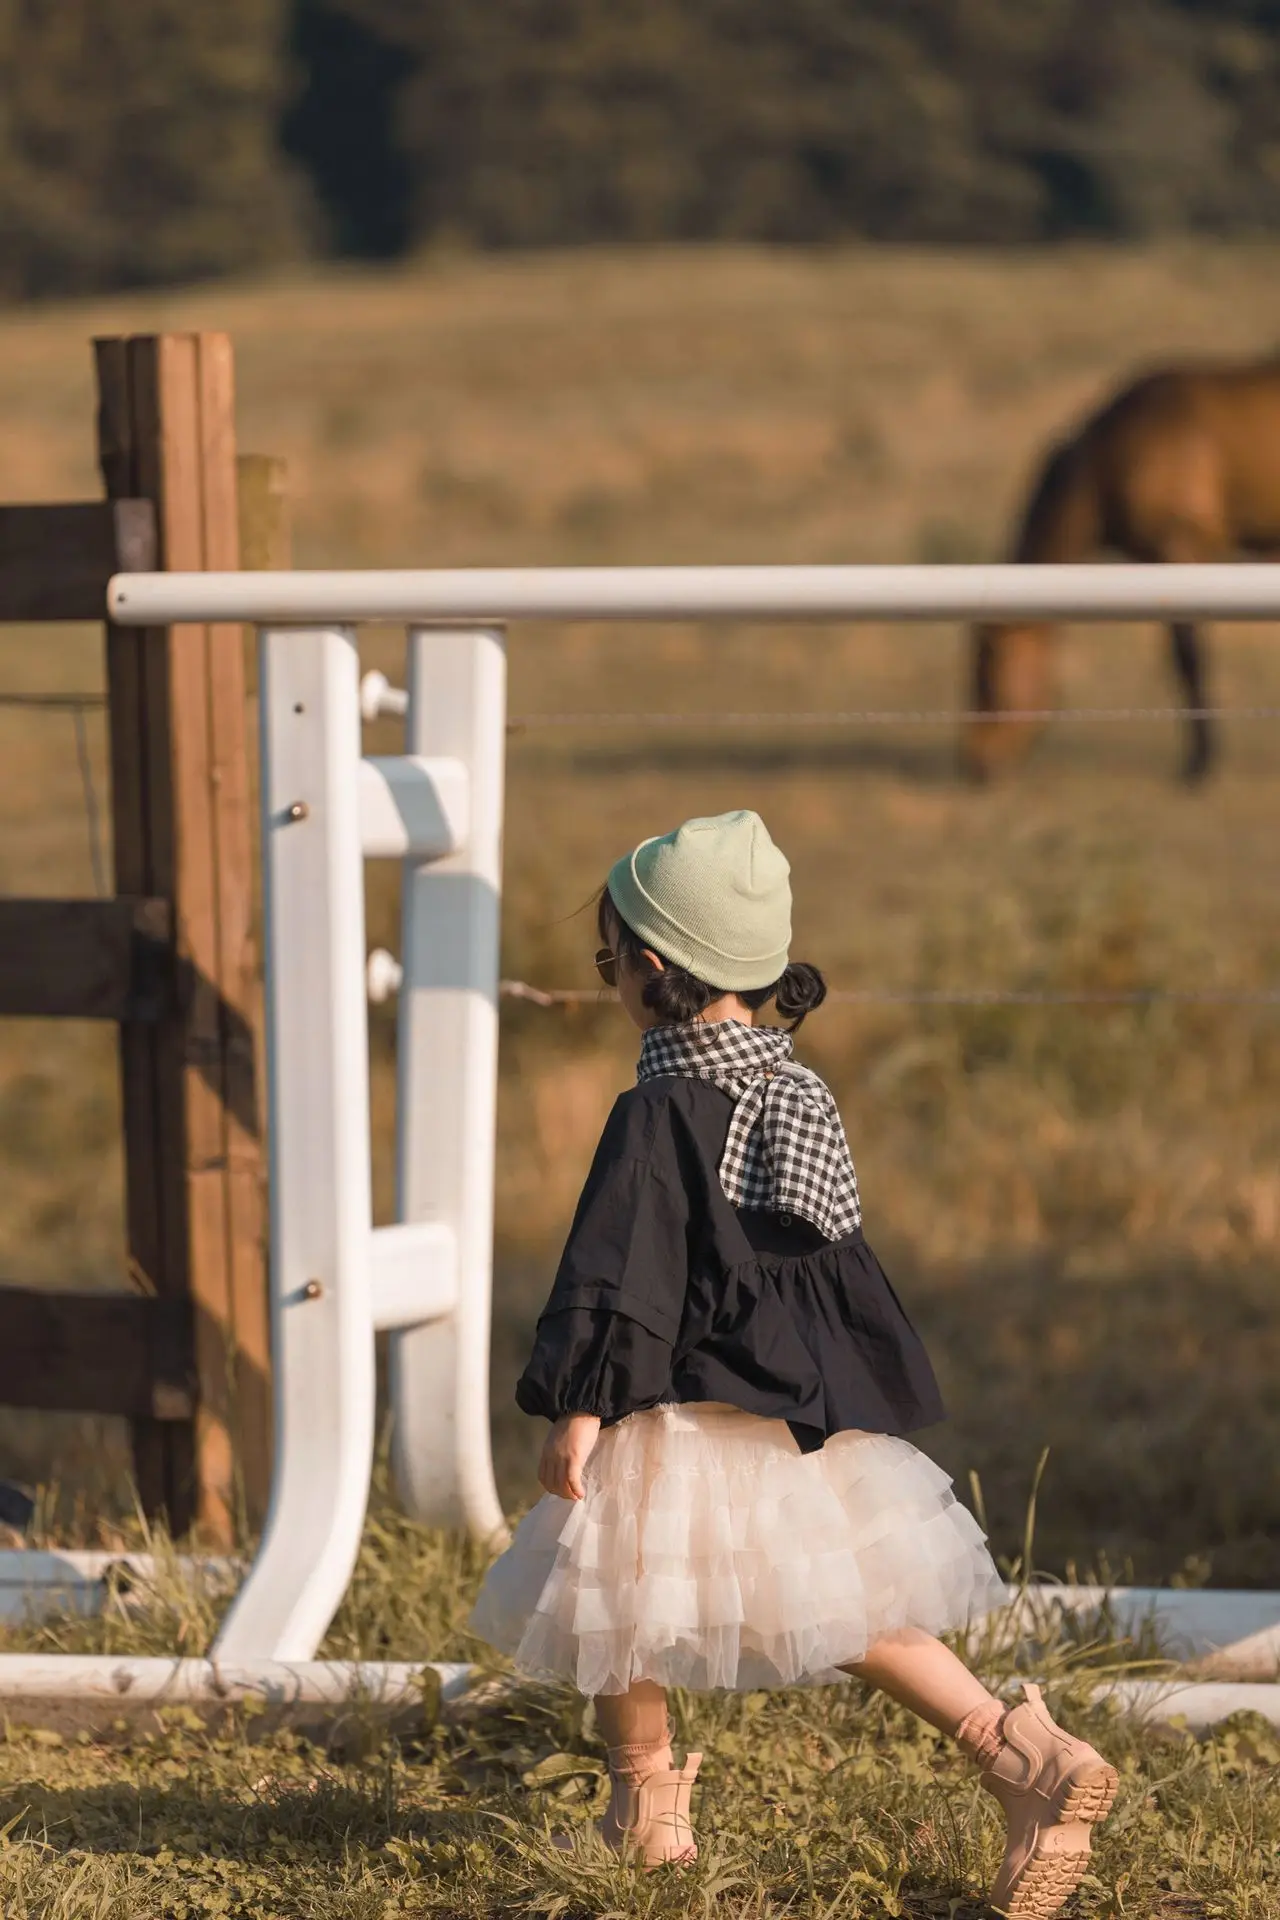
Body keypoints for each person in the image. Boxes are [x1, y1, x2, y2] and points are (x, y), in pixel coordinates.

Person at [470, 809, 1117, 1919]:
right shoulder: (787, 1092)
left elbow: (623, 1274)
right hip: (786, 1409)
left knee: (614, 1590)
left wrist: (581, 1404)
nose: (608, 978)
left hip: (671, 1409)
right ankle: (1019, 1756)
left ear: (650, 969)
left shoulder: (658, 1109)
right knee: (845, 1603)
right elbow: (824, 1275)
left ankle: (645, 1813)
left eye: (608, 958)